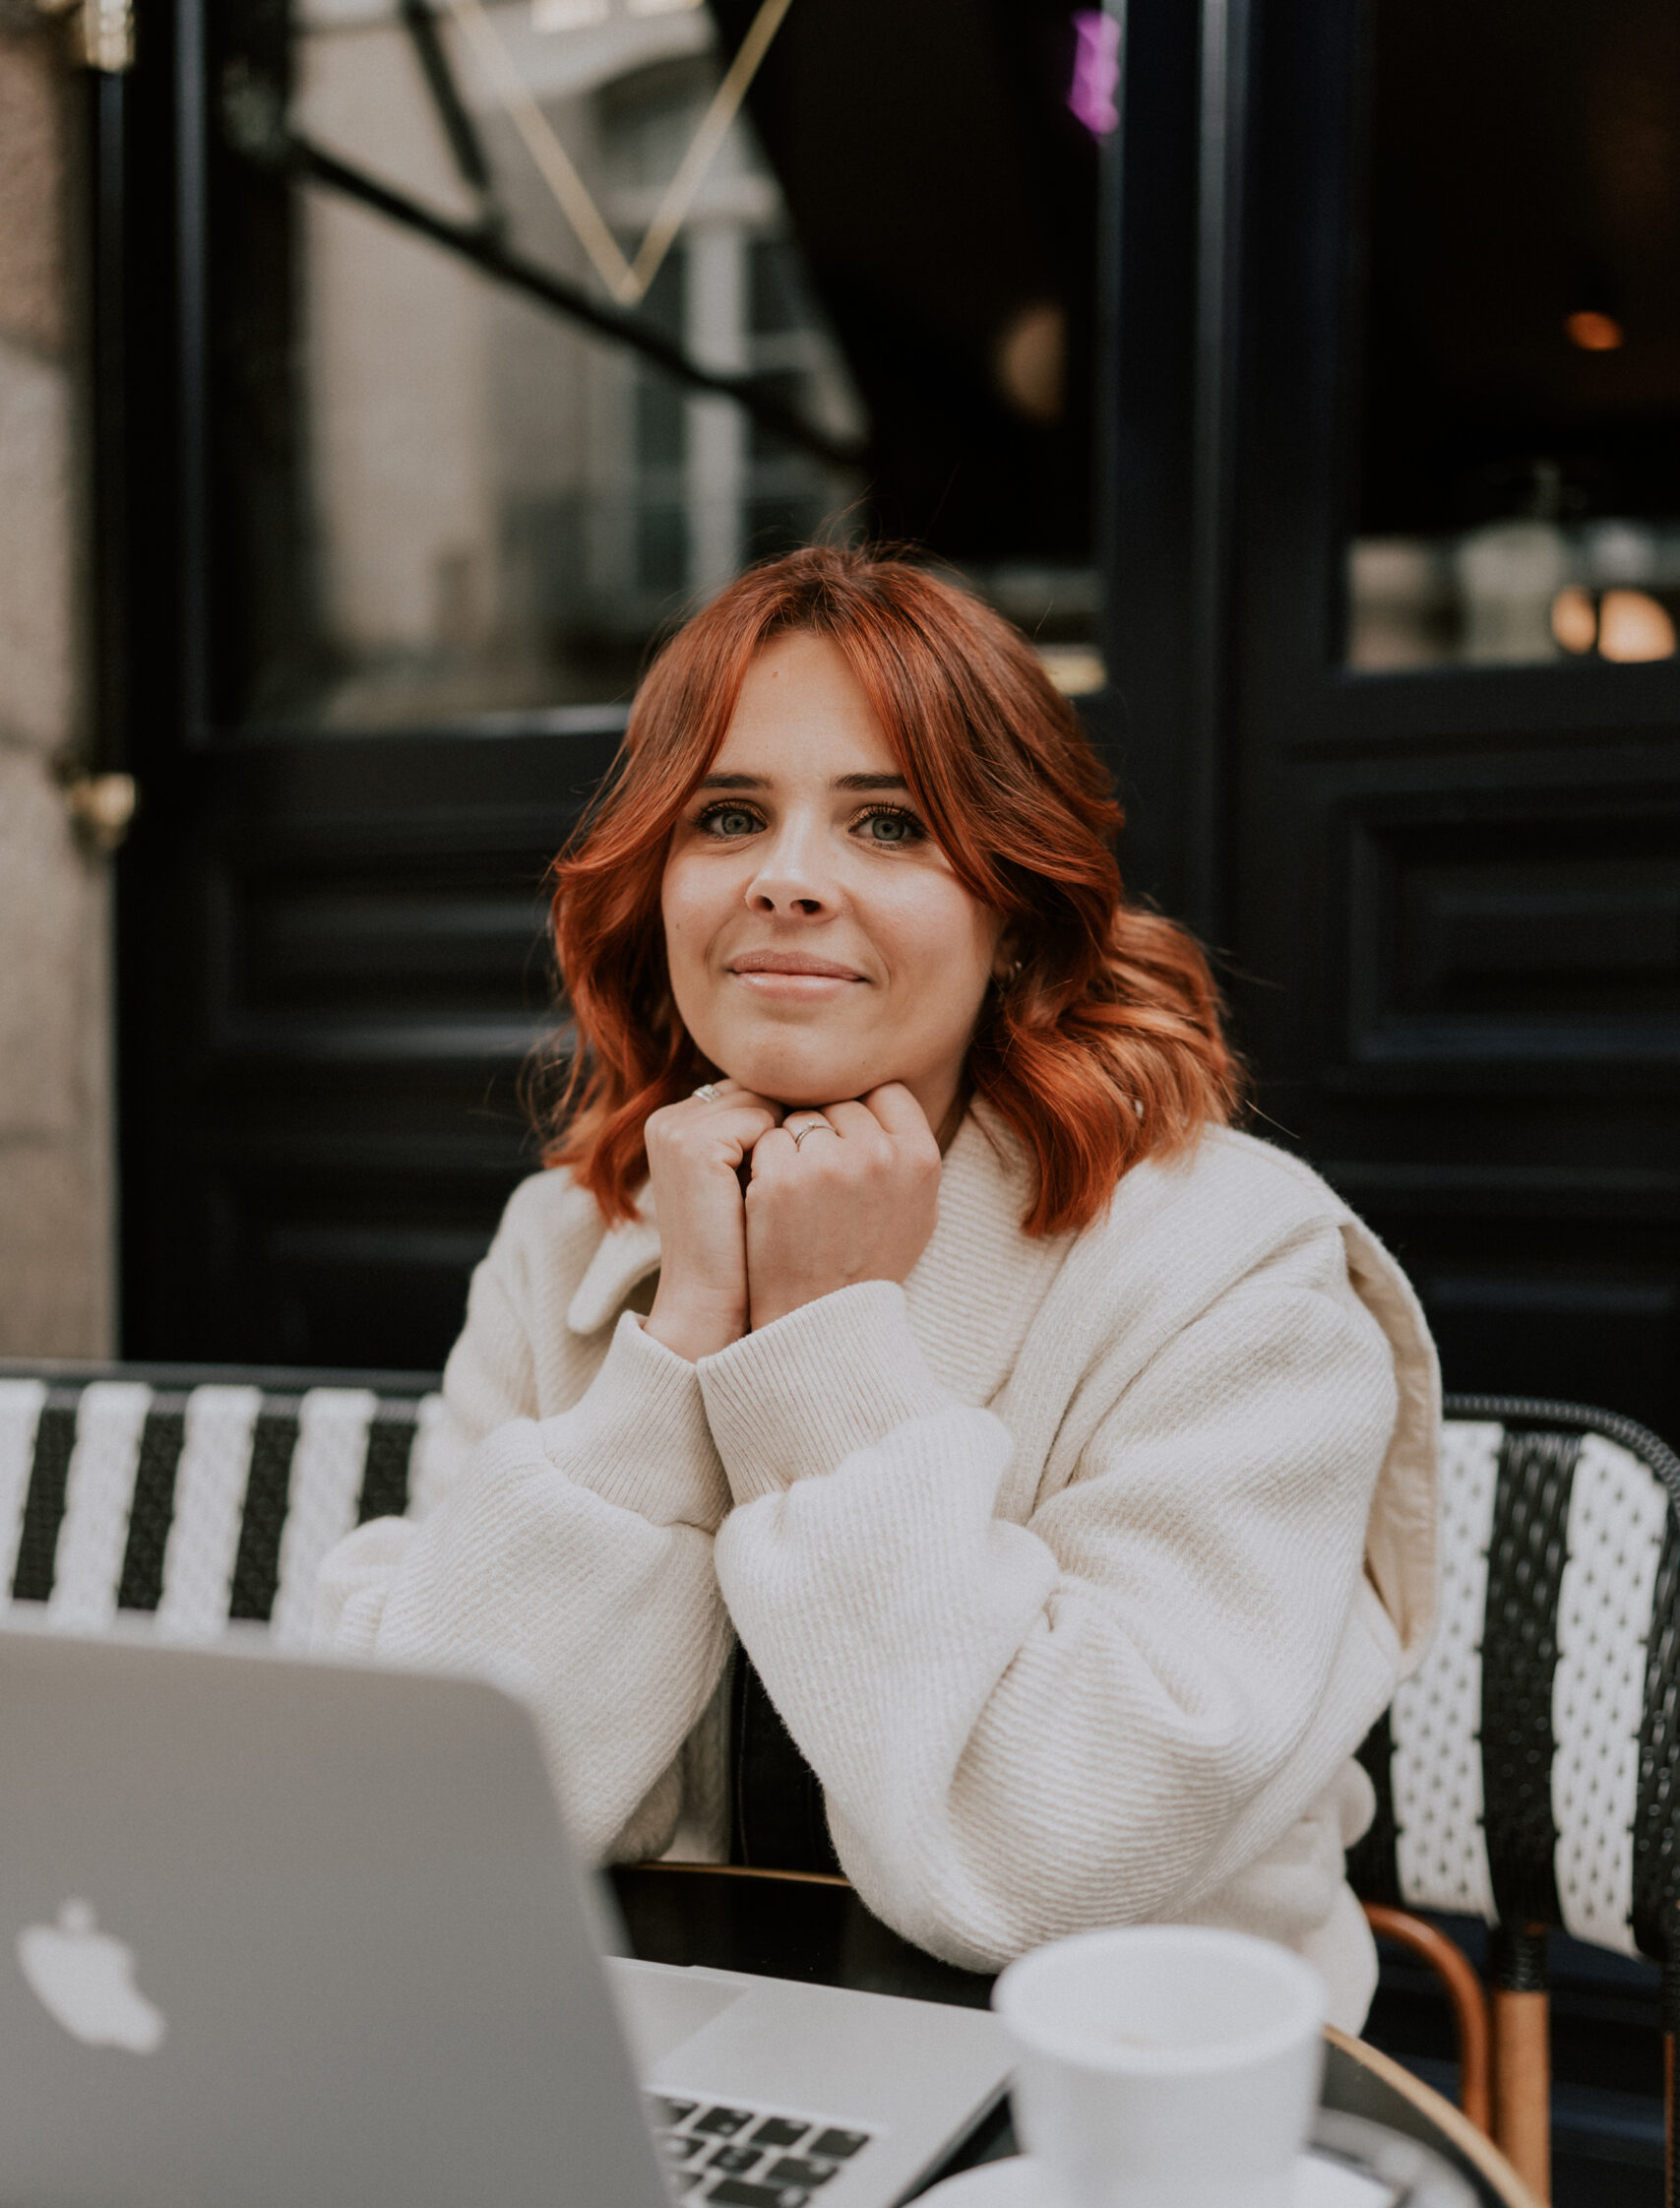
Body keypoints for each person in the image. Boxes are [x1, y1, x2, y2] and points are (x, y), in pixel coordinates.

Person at [315, 543, 1438, 2033]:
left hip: (1122, 2109)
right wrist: (682, 1349)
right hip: (649, 2070)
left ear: (1019, 912)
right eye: (727, 817)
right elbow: (437, 1812)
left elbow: (1047, 1865)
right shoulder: (564, 1238)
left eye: (889, 823)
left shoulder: (1235, 1262)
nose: (788, 879)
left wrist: (829, 1350)